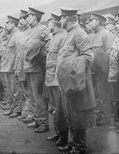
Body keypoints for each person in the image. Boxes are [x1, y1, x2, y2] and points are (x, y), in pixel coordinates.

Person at [57, 8, 96, 153]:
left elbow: (89, 57)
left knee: (78, 115)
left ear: (67, 18)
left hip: (77, 82)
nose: (59, 21)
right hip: (69, 82)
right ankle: (73, 143)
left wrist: (68, 66)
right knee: (70, 114)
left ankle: (79, 146)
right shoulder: (69, 34)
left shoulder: (79, 33)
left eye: (61, 18)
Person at [21, 7, 49, 133]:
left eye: (29, 16)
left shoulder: (43, 29)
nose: (27, 19)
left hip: (37, 68)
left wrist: (39, 58)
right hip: (27, 67)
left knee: (38, 97)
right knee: (32, 96)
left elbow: (47, 46)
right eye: (27, 17)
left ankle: (43, 122)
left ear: (36, 17)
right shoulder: (29, 31)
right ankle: (37, 119)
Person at [45, 13, 69, 146]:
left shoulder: (62, 37)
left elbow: (62, 60)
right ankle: (58, 132)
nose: (47, 26)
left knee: (60, 110)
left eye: (49, 23)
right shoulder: (54, 37)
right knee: (54, 108)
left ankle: (64, 136)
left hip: (57, 79)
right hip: (50, 77)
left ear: (55, 23)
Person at [88, 12, 114, 125]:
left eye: (91, 21)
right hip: (92, 70)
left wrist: (107, 70)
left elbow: (110, 52)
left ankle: (105, 117)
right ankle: (97, 115)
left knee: (104, 95)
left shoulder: (106, 34)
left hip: (102, 71)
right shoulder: (91, 35)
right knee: (95, 94)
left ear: (97, 22)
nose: (89, 23)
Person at [0, 15, 19, 116]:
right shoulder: (10, 36)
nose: (6, 25)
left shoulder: (17, 35)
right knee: (10, 91)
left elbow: (18, 53)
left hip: (12, 68)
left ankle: (17, 109)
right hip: (7, 67)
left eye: (8, 23)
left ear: (13, 23)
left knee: (15, 90)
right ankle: (12, 108)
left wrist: (16, 67)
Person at [108, 14, 119, 132]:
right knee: (115, 99)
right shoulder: (116, 38)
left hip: (117, 74)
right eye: (116, 23)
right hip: (114, 74)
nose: (117, 25)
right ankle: (116, 123)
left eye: (118, 23)